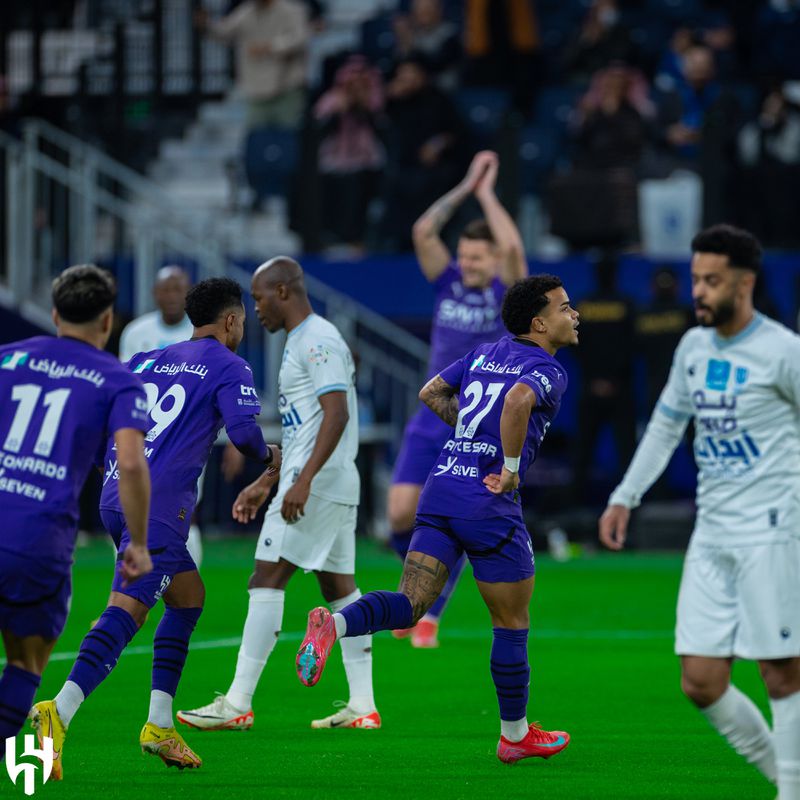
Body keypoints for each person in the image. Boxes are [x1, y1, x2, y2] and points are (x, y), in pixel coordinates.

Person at [295, 274, 579, 764]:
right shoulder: (548, 368)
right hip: (488, 502)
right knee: (511, 620)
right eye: (564, 308)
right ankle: (514, 736)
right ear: (539, 323)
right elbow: (516, 401)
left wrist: (472, 435)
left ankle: (335, 626)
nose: (574, 315)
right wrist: (508, 468)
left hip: (442, 485)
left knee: (410, 604)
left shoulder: (484, 353)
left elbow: (431, 392)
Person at [31, 278, 278, 778]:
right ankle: (57, 710)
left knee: (188, 599)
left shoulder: (147, 359)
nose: (242, 329)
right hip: (160, 507)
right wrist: (270, 457)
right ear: (230, 321)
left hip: (117, 493)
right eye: (242, 322)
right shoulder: (231, 365)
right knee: (127, 609)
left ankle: (159, 725)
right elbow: (246, 433)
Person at [599, 224, 800, 800]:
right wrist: (624, 496)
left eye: (712, 281)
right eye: (696, 279)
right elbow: (666, 426)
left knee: (781, 672)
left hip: (773, 531)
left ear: (746, 283)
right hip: (711, 535)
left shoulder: (783, 352)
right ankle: (785, 781)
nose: (700, 292)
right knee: (701, 680)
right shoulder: (692, 347)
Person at [177, 256, 378, 731]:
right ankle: (363, 704)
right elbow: (307, 427)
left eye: (260, 297)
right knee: (339, 589)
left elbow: (336, 415)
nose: (254, 309)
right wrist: (265, 481)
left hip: (319, 483)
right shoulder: (300, 342)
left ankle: (237, 703)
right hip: (329, 479)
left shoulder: (318, 339)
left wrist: (303, 480)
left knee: (265, 577)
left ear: (283, 291)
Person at [0, 265, 152, 749]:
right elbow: (130, 464)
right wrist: (140, 544)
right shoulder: (118, 380)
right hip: (37, 542)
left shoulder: (7, 359)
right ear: (108, 321)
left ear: (53, 313)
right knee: (25, 665)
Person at [389, 149, 528, 648]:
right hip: (433, 414)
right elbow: (424, 231)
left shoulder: (506, 294)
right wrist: (466, 187)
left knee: (464, 512)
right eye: (465, 255)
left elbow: (513, 248)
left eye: (476, 256)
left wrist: (489, 197)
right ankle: (427, 591)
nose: (468, 263)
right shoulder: (447, 282)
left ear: (490, 260)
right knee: (399, 515)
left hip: (479, 423)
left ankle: (429, 611)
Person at [118, 266, 205, 566]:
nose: (171, 296)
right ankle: (135, 581)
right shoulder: (136, 333)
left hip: (187, 437)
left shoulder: (200, 332)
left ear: (188, 293)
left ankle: (184, 580)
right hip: (143, 435)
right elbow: (125, 385)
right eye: (165, 289)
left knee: (185, 511)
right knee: (132, 507)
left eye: (177, 289)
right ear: (155, 293)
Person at [196, 0, 311, 132]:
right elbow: (224, 32)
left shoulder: (292, 10)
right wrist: (206, 25)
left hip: (287, 87)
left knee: (286, 138)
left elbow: (300, 38)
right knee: (257, 138)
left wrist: (270, 47)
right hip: (257, 89)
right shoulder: (246, 12)